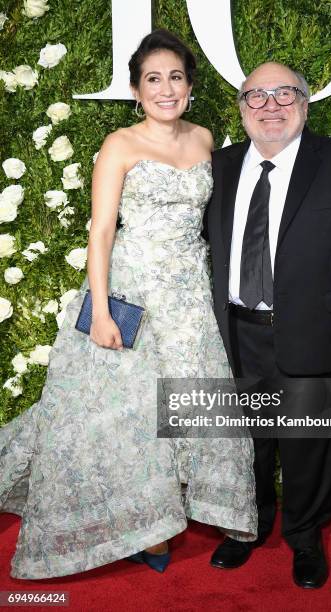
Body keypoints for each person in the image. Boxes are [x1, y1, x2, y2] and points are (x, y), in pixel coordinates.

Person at [0, 29, 257, 580]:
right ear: (137, 92)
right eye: (153, 80)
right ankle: (148, 527)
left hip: (190, 297)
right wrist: (98, 310)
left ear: (190, 86)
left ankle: (188, 509)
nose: (166, 89)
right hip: (132, 292)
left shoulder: (206, 139)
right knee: (125, 417)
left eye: (176, 78)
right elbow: (100, 232)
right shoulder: (120, 144)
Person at [204, 61, 331, 587]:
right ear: (241, 110)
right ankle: (247, 529)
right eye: (257, 96)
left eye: (285, 94)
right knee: (244, 443)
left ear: (305, 104)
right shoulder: (218, 166)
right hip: (235, 334)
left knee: (309, 444)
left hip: (315, 334)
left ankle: (304, 538)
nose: (271, 105)